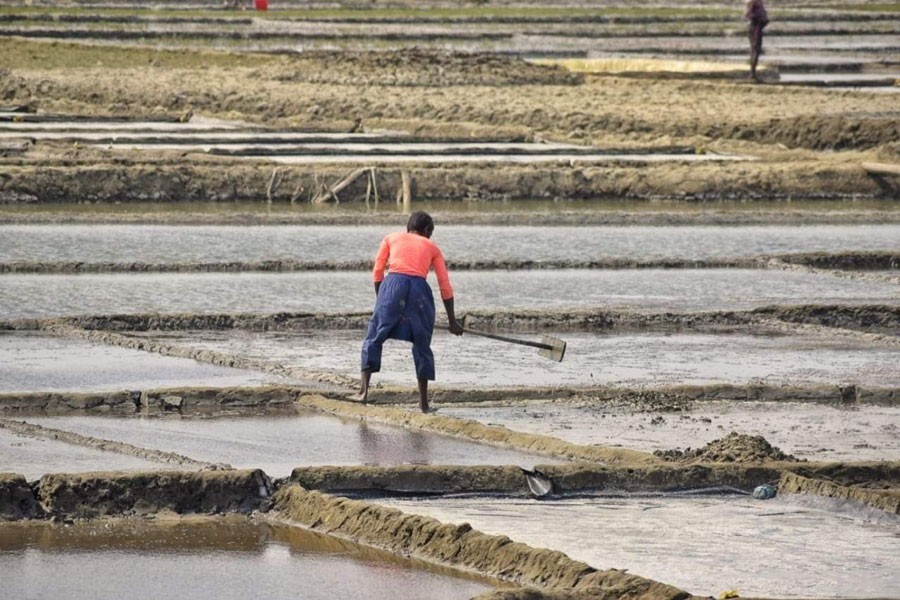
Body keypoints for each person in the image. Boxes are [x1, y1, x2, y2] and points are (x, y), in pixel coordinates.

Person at [356, 211, 464, 412]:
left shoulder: (390, 238)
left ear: (408, 228)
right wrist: (452, 321)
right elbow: (444, 285)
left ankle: (363, 392)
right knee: (422, 344)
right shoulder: (433, 248)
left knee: (374, 337)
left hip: (392, 284)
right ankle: (423, 404)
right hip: (419, 291)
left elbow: (378, 271)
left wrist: (382, 300)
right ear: (427, 231)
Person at [745, 0, 769, 82]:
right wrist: (759, 20)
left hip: (757, 26)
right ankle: (752, 74)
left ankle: (753, 73)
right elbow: (748, 14)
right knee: (755, 49)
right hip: (755, 26)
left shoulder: (758, 2)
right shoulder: (753, 2)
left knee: (756, 50)